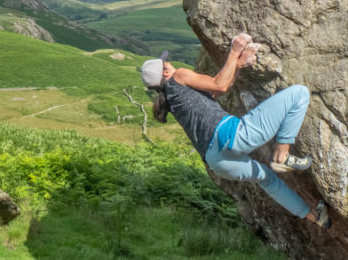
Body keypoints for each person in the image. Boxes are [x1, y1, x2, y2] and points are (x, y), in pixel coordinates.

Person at [140, 33, 331, 229]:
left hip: (217, 160)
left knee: (267, 178)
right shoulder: (178, 76)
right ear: (165, 73)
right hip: (230, 135)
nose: (170, 64)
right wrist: (234, 51)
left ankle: (316, 217)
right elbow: (220, 85)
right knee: (300, 93)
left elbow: (216, 90)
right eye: (166, 63)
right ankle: (282, 154)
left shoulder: (172, 100)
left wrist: (238, 65)